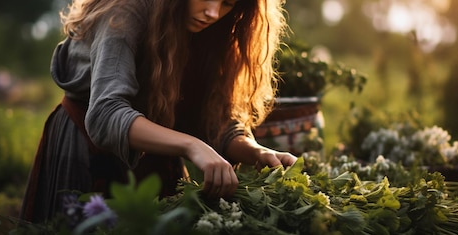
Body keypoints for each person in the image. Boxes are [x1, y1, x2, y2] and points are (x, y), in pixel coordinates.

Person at [20, 0, 298, 223]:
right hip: (86, 147)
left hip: (158, 152)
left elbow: (214, 118)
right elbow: (106, 114)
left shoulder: (214, 27)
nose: (213, 12)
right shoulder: (124, 11)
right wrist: (191, 146)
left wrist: (255, 151)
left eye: (227, 3)